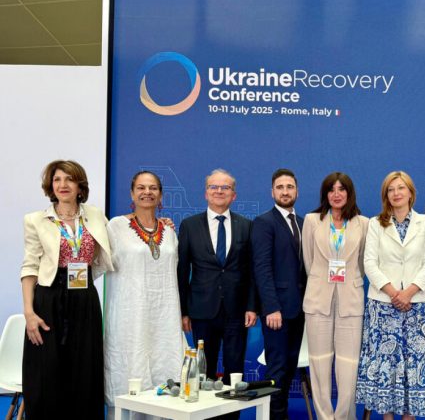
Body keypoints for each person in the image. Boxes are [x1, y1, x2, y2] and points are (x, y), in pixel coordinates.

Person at [21, 160, 113, 420]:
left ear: (79, 185)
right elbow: (29, 267)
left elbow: (120, 231)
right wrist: (29, 312)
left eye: (69, 179)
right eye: (57, 179)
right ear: (50, 186)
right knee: (47, 370)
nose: (63, 185)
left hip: (84, 297)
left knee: (84, 368)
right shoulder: (35, 220)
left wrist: (158, 222)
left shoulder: (95, 215)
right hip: (48, 298)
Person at [356, 171, 425, 419]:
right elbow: (370, 263)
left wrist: (409, 292)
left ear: (410, 192)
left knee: (414, 367)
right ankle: (387, 417)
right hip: (383, 306)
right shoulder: (376, 223)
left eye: (401, 188)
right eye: (391, 189)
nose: (396, 193)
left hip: (417, 306)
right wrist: (395, 293)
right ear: (385, 195)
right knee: (386, 367)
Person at [104, 171, 184, 415]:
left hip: (164, 320)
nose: (147, 192)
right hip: (130, 318)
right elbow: (97, 263)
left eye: (153, 188)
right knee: (131, 371)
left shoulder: (169, 231)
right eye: (141, 187)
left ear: (160, 195)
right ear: (132, 193)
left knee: (165, 370)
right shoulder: (115, 227)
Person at [177, 169, 257, 394]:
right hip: (202, 311)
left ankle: (233, 412)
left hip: (236, 311)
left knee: (235, 373)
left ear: (234, 195)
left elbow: (252, 271)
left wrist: (252, 306)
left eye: (225, 187)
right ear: (206, 193)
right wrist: (183, 312)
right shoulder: (190, 225)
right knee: (204, 373)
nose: (219, 191)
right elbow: (182, 272)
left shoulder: (246, 226)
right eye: (214, 187)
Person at [302, 172, 369, 420]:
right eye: (332, 189)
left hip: (350, 301)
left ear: (349, 193)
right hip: (318, 300)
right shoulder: (312, 221)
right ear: (325, 194)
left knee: (348, 365)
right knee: (319, 363)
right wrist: (322, 281)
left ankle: (344, 416)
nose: (337, 194)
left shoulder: (364, 223)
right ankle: (324, 416)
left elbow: (362, 264)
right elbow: (309, 261)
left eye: (342, 189)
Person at [251, 168, 306, 420]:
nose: (285, 191)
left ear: (297, 191)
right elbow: (261, 268)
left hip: (300, 310)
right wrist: (271, 307)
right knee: (277, 370)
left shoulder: (304, 223)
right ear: (272, 192)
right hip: (277, 312)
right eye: (280, 187)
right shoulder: (264, 222)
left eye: (289, 187)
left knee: (289, 368)